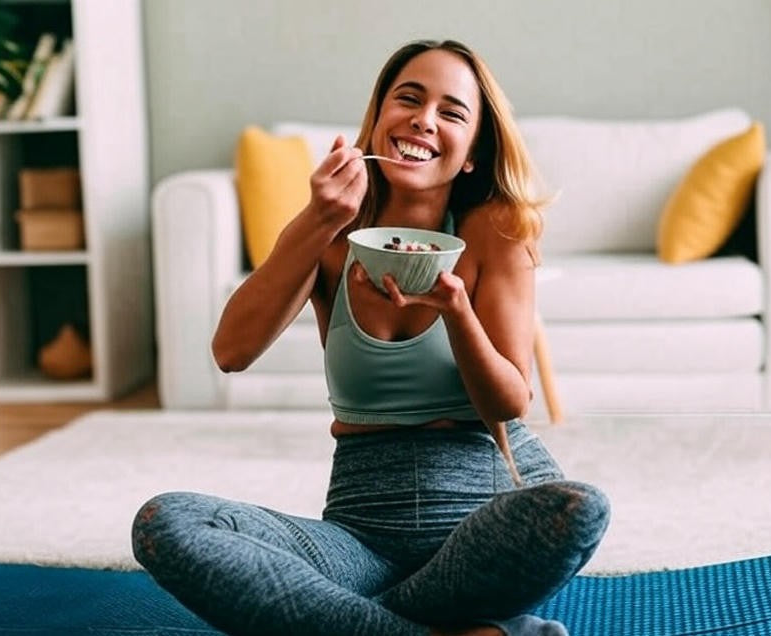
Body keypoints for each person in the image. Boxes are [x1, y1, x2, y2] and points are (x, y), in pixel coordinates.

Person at [133, 39, 610, 636]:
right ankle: (466, 629)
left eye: (451, 112)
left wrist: (457, 310)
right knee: (166, 523)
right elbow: (230, 352)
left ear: (470, 155)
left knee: (580, 508)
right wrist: (320, 218)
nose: (424, 119)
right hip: (359, 539)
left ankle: (353, 623)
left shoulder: (496, 230)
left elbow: (510, 402)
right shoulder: (330, 232)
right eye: (407, 99)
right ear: (379, 120)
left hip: (480, 524)